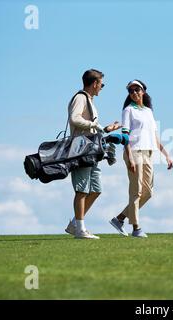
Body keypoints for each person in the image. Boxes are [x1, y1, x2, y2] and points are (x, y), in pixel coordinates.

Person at [109, 79, 173, 238]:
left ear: (143, 91)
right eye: (131, 91)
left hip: (149, 153)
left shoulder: (149, 111)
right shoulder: (128, 110)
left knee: (148, 193)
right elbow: (125, 136)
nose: (134, 93)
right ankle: (136, 228)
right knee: (136, 191)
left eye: (137, 89)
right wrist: (129, 157)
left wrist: (166, 155)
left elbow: (154, 136)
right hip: (134, 152)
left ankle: (120, 218)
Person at [65, 69, 120, 239]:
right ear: (95, 83)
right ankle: (80, 229)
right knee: (81, 190)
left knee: (96, 189)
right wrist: (96, 126)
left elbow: (91, 125)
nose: (102, 87)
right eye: (101, 84)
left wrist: (104, 128)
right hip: (80, 150)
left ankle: (75, 224)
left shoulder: (89, 101)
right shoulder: (80, 97)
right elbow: (74, 118)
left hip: (91, 151)